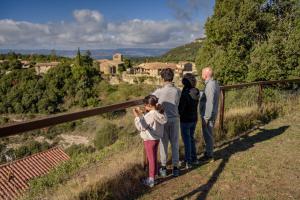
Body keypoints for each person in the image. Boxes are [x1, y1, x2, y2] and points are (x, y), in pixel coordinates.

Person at [152, 68, 181, 177]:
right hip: (174, 119)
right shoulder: (177, 91)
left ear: (162, 78)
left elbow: (150, 99)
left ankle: (163, 168)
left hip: (163, 120)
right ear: (172, 77)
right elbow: (178, 103)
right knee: (175, 143)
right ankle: (176, 167)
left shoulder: (159, 92)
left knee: (163, 144)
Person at [133, 95, 167, 187]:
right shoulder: (160, 112)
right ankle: (154, 176)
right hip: (156, 139)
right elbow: (151, 121)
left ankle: (151, 180)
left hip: (149, 139)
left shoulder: (151, 115)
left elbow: (141, 126)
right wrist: (143, 115)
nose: (144, 107)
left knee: (151, 159)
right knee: (154, 157)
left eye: (145, 105)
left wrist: (137, 116)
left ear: (149, 105)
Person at [178, 73, 200, 169]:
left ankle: (188, 161)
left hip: (185, 119)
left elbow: (181, 109)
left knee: (187, 140)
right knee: (191, 138)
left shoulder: (185, 94)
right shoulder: (196, 91)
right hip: (194, 118)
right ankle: (194, 158)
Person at [199, 67, 220, 162]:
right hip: (212, 112)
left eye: (202, 72)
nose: (201, 74)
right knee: (209, 133)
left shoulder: (210, 85)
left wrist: (206, 117)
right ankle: (208, 152)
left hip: (208, 114)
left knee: (208, 135)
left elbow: (209, 102)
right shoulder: (214, 83)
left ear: (206, 74)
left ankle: (209, 156)